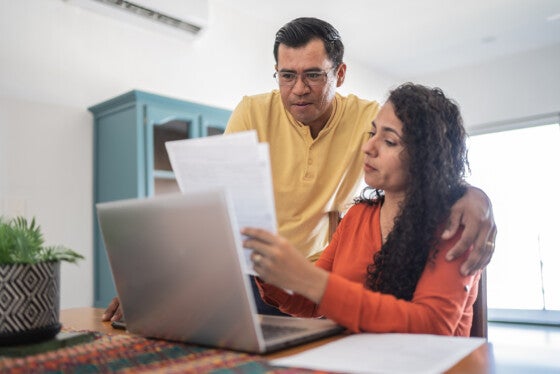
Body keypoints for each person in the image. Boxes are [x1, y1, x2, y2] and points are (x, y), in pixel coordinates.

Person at [102, 17, 496, 322]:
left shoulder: (364, 118)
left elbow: (427, 158)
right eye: (286, 76)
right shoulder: (253, 112)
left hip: (314, 274)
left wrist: (473, 195)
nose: (298, 89)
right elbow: (210, 206)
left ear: (339, 74)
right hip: (262, 270)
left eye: (312, 75)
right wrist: (162, 279)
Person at [242, 82, 480, 335]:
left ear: (426, 158)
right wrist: (265, 266)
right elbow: (311, 302)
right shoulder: (357, 216)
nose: (368, 147)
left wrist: (315, 283)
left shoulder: (455, 225)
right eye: (372, 133)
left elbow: (432, 326)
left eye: (389, 141)